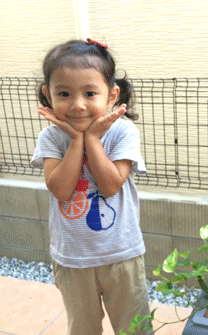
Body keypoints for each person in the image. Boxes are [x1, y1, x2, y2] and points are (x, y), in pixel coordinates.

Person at [31, 39, 152, 335]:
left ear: (111, 96)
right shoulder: (52, 139)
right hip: (72, 258)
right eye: (64, 93)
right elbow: (61, 190)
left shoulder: (123, 132)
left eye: (89, 93)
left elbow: (111, 185)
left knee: (134, 327)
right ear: (48, 95)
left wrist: (93, 140)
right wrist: (75, 140)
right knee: (82, 328)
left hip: (121, 254)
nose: (77, 104)